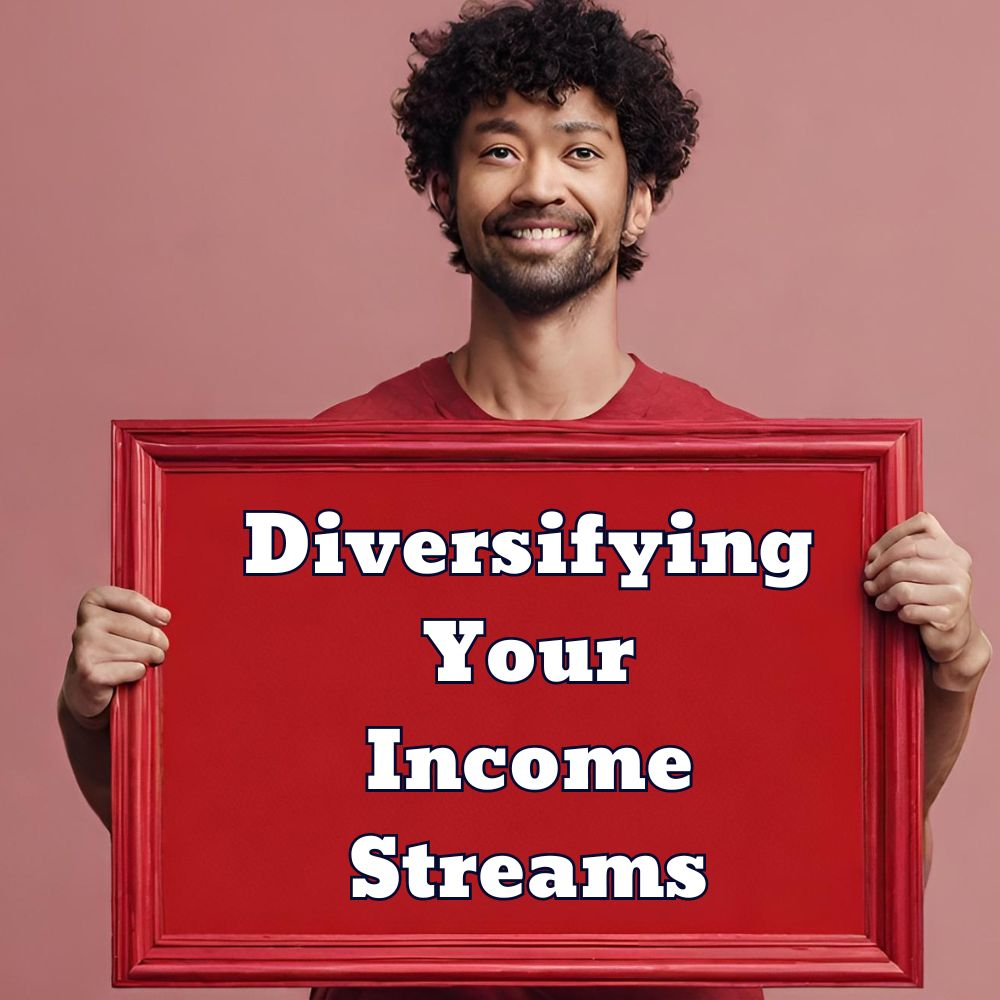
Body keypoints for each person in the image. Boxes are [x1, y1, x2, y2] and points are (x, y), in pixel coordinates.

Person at [58, 1, 991, 998]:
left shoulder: (759, 498)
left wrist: (950, 669)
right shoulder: (317, 481)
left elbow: (858, 861)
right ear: (441, 186)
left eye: (581, 150)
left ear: (639, 200)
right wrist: (91, 709)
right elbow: (224, 849)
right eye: (498, 149)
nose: (539, 183)